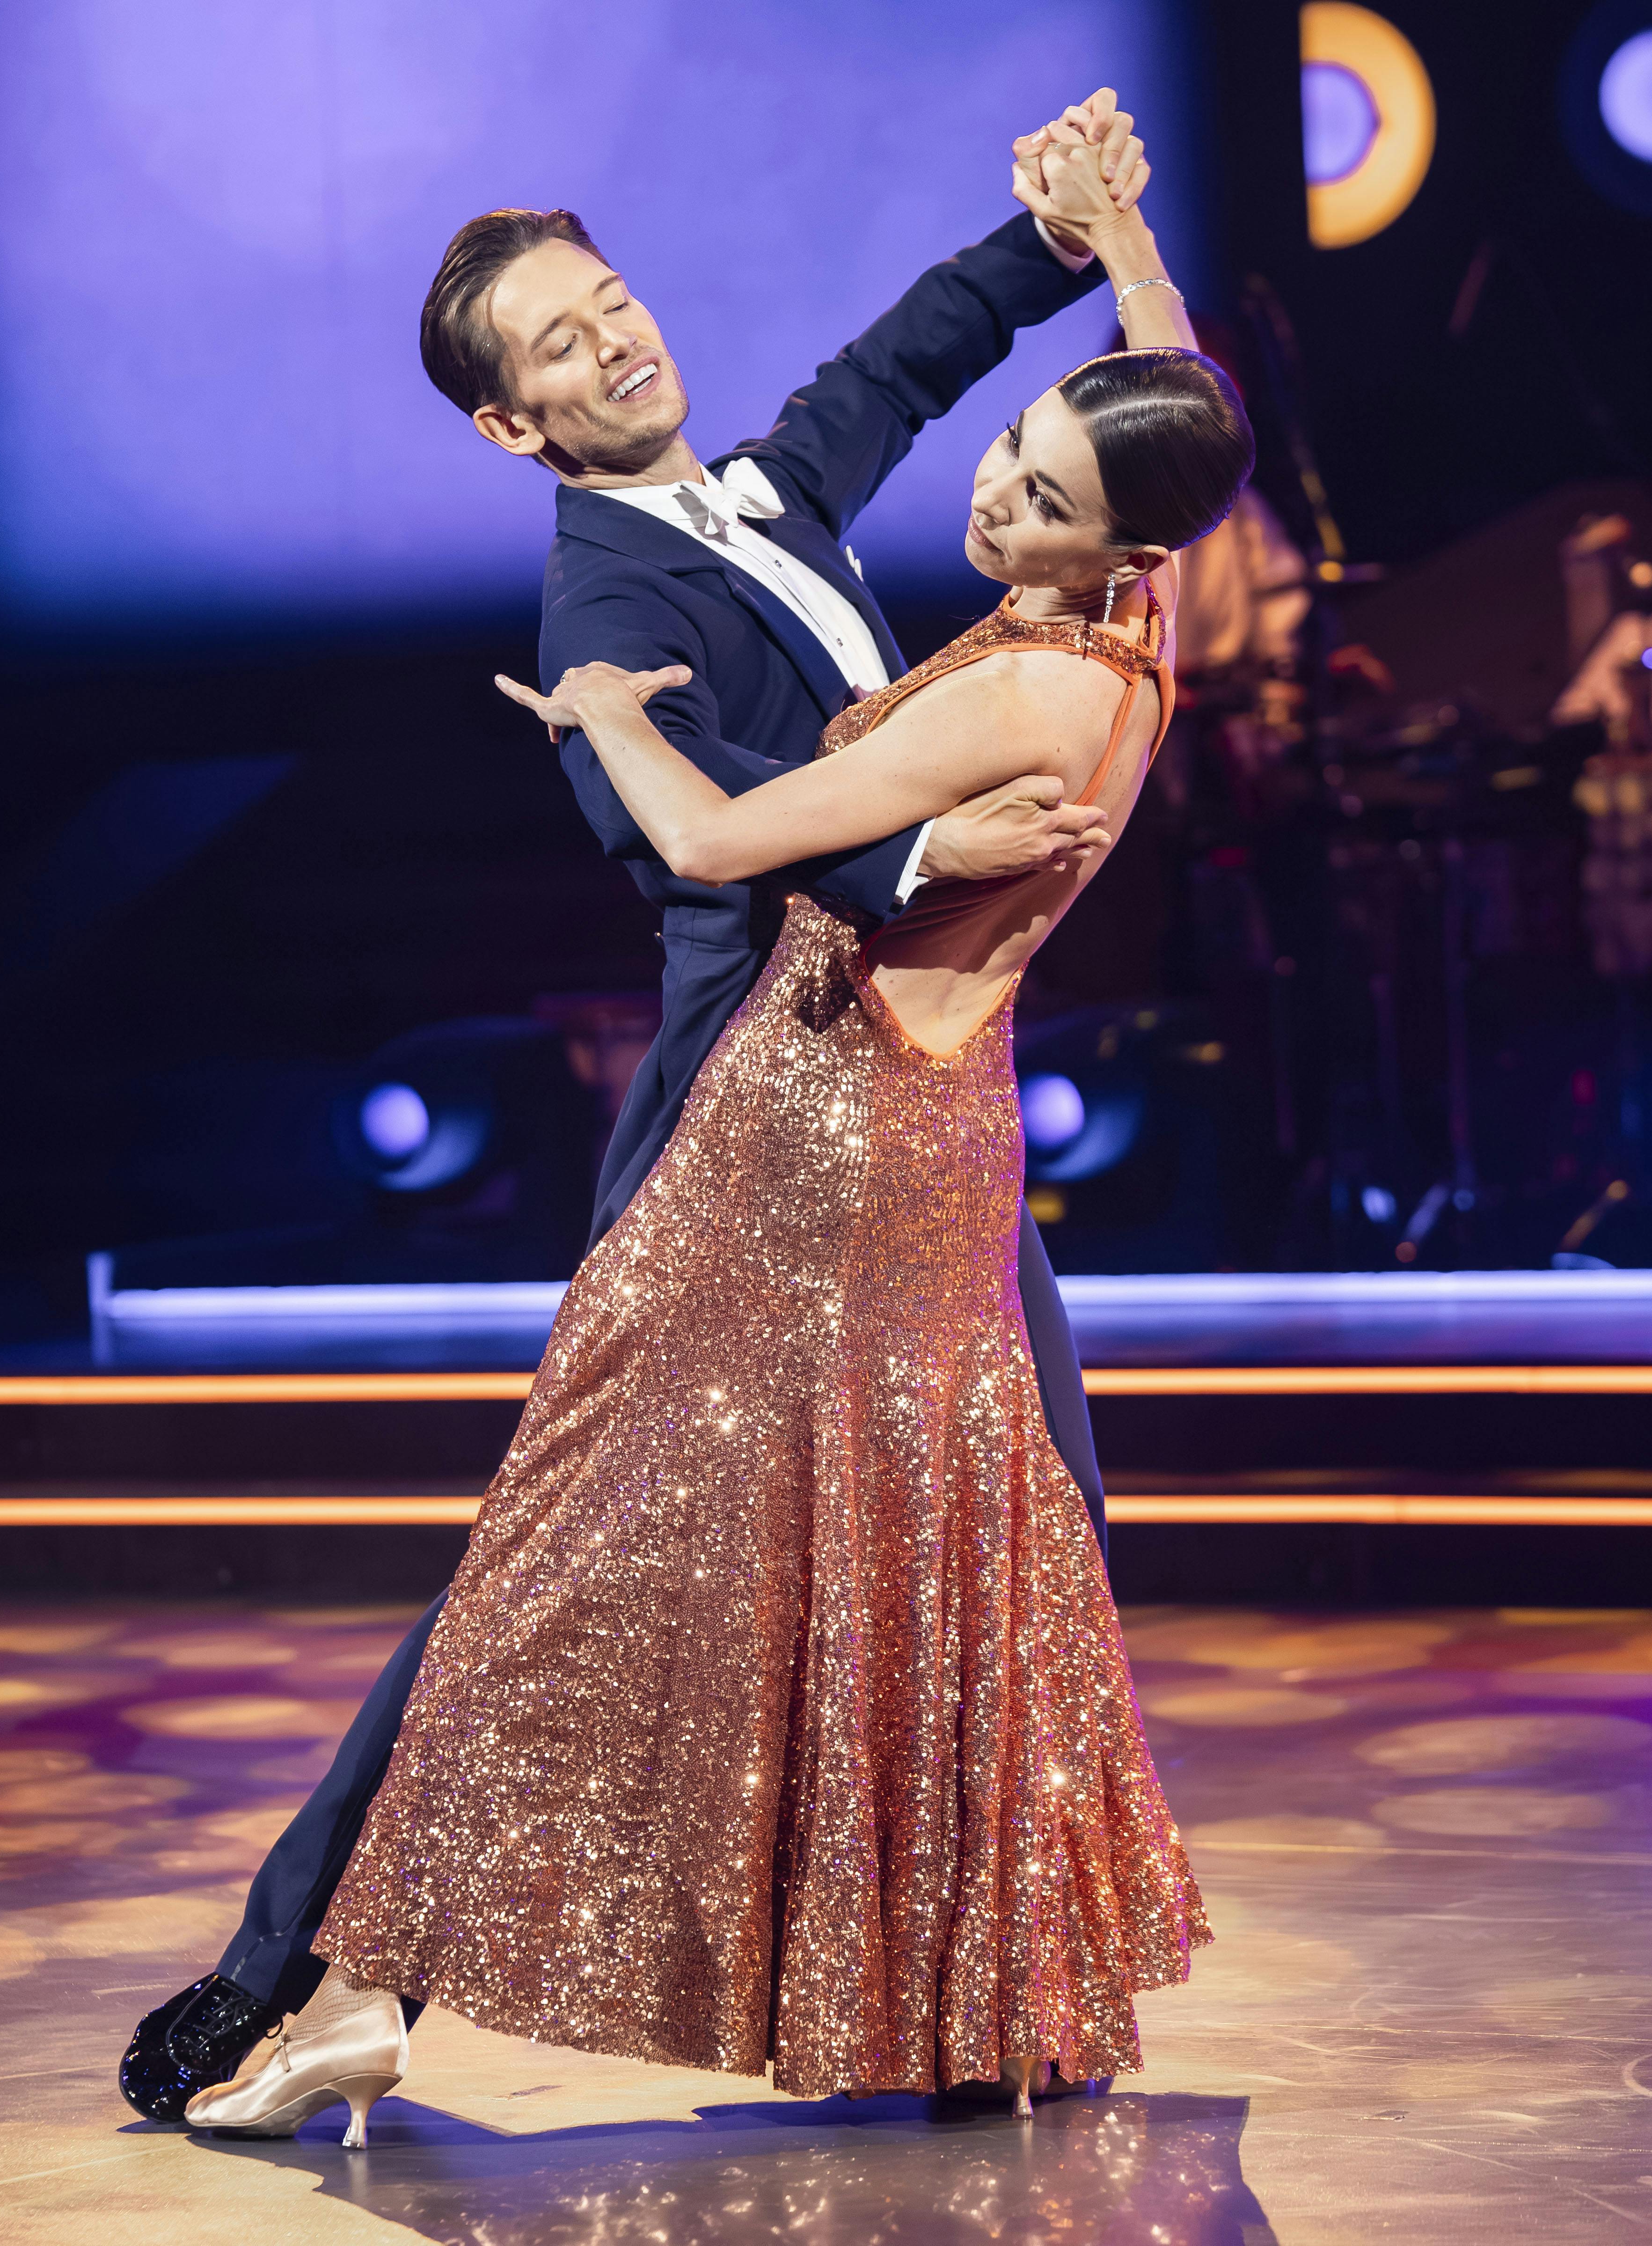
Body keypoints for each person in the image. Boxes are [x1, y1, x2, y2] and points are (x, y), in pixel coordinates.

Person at [178, 123, 1251, 2140]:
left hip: (912, 1103)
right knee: (583, 1557)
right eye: (561, 347)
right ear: (513, 427)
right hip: (758, 1113)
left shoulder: (776, 487)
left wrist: (1065, 236)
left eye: (612, 304)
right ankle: (303, 1963)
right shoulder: (596, 591)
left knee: (1017, 1518)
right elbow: (690, 834)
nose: (615, 344)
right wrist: (919, 847)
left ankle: (991, 1983)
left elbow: (915, 355)